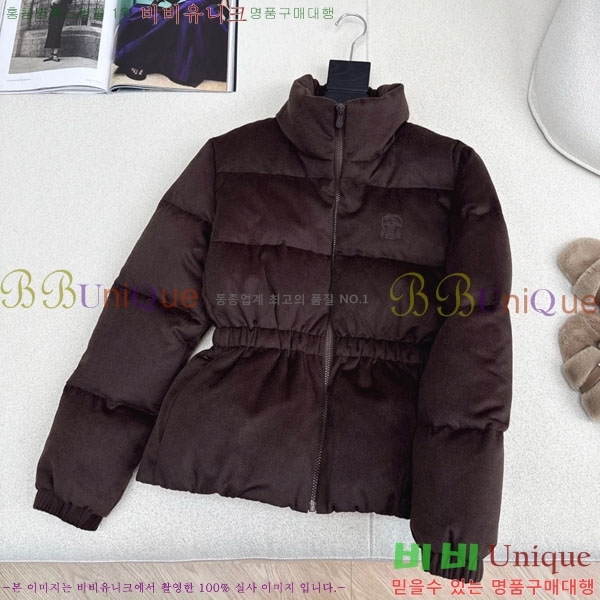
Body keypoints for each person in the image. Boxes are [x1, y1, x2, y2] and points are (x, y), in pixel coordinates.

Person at [114, 0, 229, 85]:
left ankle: (139, 59)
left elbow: (224, 5)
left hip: (209, 9)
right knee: (174, 14)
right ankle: (140, 58)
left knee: (188, 10)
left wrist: (223, 9)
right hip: (186, 7)